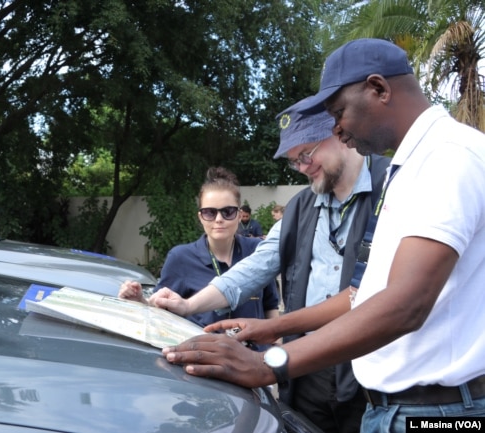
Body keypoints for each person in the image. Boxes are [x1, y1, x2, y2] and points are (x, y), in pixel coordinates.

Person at [160, 38, 485, 432]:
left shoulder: (447, 158)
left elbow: (406, 303)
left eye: (338, 113)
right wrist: (270, 327)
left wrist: (268, 363)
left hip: (433, 411)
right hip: (390, 406)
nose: (337, 129)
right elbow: (363, 294)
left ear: (379, 89)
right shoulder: (411, 166)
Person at [147, 96, 390, 433]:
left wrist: (272, 328)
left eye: (306, 154)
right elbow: (255, 267)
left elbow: (370, 294)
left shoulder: (393, 187)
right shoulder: (300, 208)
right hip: (307, 369)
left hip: (373, 370)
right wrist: (189, 305)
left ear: (338, 131)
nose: (303, 166)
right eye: (294, 162)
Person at [119, 167, 280, 329]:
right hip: (204, 352)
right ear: (200, 217)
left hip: (253, 353)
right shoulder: (180, 257)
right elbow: (160, 309)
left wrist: (275, 347)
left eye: (228, 212)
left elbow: (270, 307)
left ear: (239, 215)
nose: (219, 219)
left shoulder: (258, 251)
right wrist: (139, 301)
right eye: (210, 213)